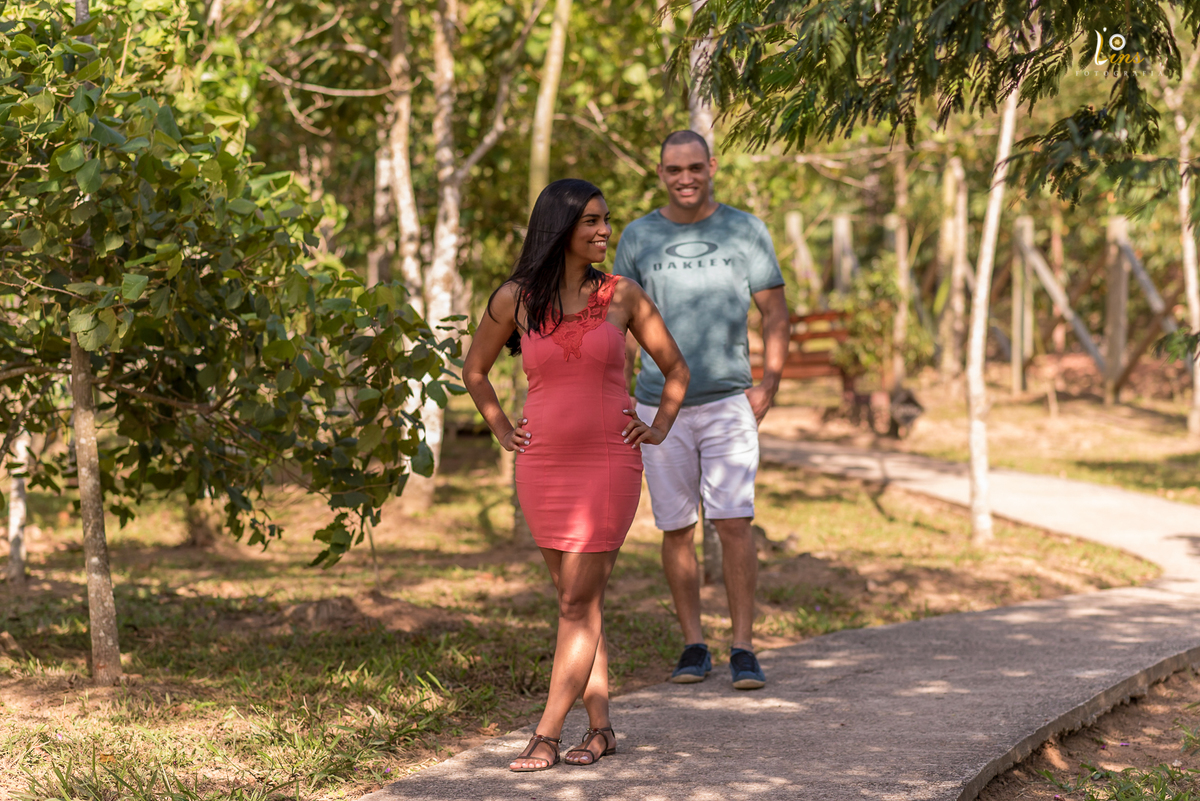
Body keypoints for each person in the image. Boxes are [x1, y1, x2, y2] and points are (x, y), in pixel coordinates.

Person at [463, 178, 689, 771]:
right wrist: (501, 428)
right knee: (578, 602)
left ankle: (545, 732)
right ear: (560, 227)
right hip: (542, 466)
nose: (603, 231)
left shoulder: (623, 296)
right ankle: (602, 729)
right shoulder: (515, 298)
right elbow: (475, 370)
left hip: (608, 465)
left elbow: (675, 368)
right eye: (591, 221)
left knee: (574, 602)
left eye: (605, 220)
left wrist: (660, 425)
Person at [614, 130, 790, 691]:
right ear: (660, 172)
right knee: (675, 528)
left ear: (712, 165)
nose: (685, 178)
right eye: (673, 169)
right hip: (655, 407)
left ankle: (743, 648)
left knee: (734, 524)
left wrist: (769, 386)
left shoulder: (744, 229)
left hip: (727, 404)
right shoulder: (638, 236)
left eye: (695, 167)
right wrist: (615, 396)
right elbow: (617, 328)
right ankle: (694, 645)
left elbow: (776, 314)